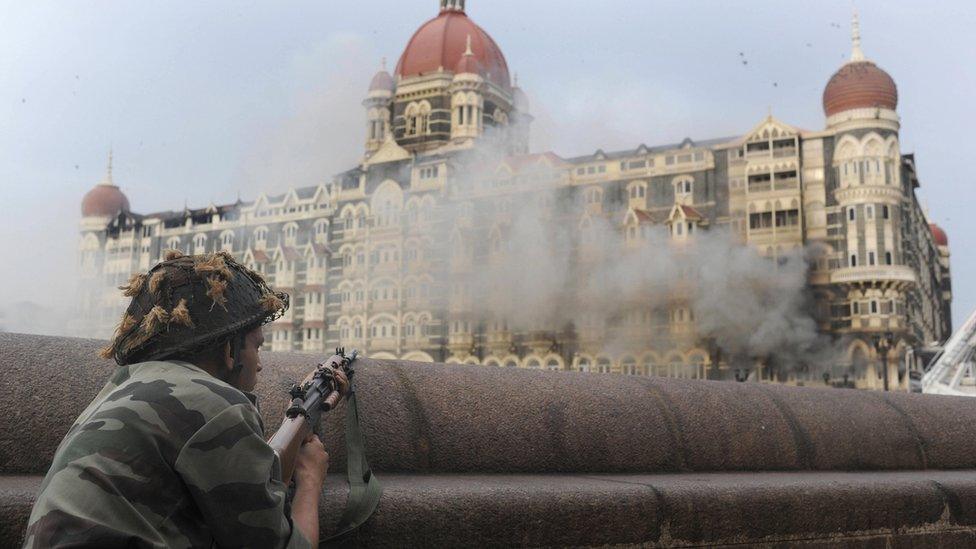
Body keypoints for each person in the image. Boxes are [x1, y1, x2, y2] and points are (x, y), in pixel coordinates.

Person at [24, 250, 345, 548]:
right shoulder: (220, 405)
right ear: (229, 350)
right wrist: (310, 479)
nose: (260, 363)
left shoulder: (120, 387)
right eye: (256, 346)